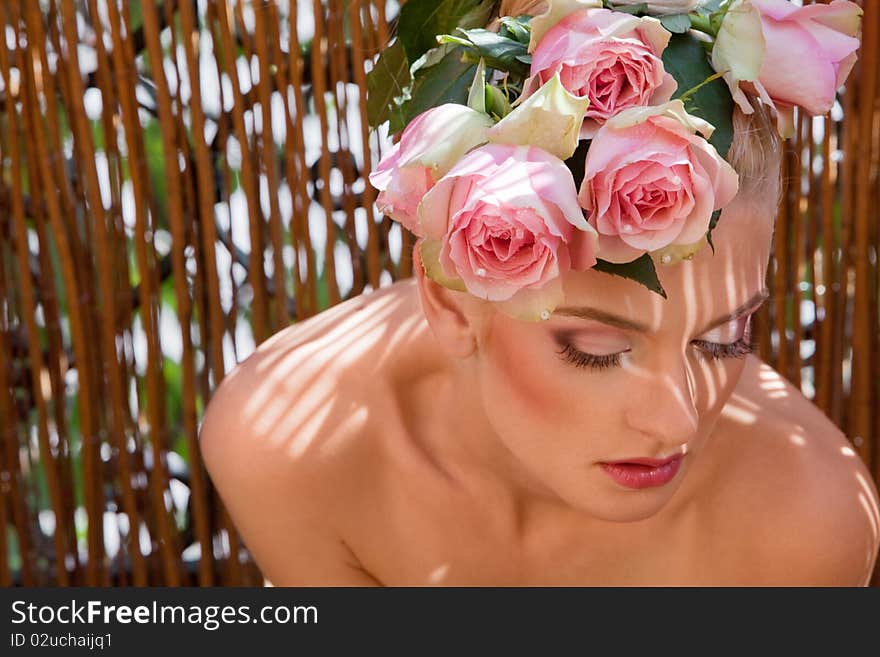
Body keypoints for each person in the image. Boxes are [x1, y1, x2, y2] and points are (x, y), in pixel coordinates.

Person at [199, 1, 879, 585]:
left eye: (723, 339)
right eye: (598, 348)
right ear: (449, 303)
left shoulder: (802, 526)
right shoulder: (291, 460)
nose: (676, 423)